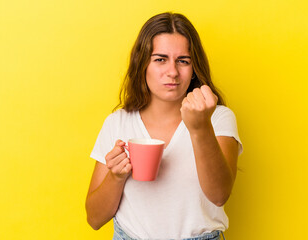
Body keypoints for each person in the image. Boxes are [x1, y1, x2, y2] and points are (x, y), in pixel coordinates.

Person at [85, 12, 243, 240]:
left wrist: (200, 128)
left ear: (194, 68)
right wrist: (116, 177)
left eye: (183, 61)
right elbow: (94, 219)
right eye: (160, 59)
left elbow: (219, 195)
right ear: (142, 64)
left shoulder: (217, 118)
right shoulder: (118, 122)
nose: (173, 72)